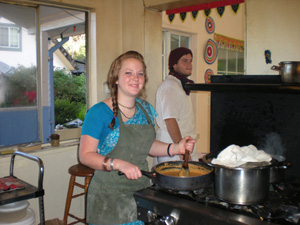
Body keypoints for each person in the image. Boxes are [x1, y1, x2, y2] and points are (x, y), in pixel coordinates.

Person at [79, 51, 196, 225]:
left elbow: (146, 145)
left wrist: (175, 148)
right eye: (128, 73)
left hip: (142, 194)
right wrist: (118, 164)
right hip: (109, 200)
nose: (135, 78)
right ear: (116, 78)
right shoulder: (98, 113)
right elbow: (85, 155)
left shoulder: (146, 109)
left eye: (140, 74)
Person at [154, 47, 197, 165]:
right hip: (173, 144)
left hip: (179, 144)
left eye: (190, 60)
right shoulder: (170, 87)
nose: (189, 64)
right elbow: (170, 120)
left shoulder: (178, 85)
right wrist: (180, 149)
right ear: (174, 65)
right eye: (184, 61)